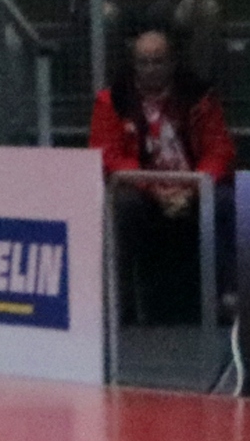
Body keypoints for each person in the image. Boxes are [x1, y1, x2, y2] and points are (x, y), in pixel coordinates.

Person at [94, 26, 234, 326]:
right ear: (134, 66)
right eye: (143, 62)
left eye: (158, 61)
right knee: (122, 204)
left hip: (192, 187)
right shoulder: (112, 100)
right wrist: (153, 187)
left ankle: (228, 297)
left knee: (226, 201)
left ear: (172, 63)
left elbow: (219, 150)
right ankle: (121, 309)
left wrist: (194, 187)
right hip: (144, 192)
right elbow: (109, 157)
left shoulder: (200, 96)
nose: (150, 69)